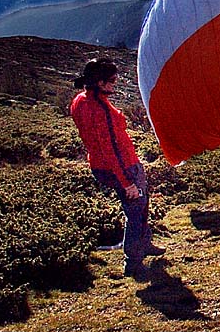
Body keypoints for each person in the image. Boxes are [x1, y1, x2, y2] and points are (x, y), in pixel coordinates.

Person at [70, 58, 164, 281]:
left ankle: (144, 243)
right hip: (122, 168)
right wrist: (127, 182)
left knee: (140, 204)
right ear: (100, 83)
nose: (116, 83)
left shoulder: (79, 101)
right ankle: (133, 262)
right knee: (135, 209)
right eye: (112, 80)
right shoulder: (101, 110)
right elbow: (111, 149)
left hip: (100, 166)